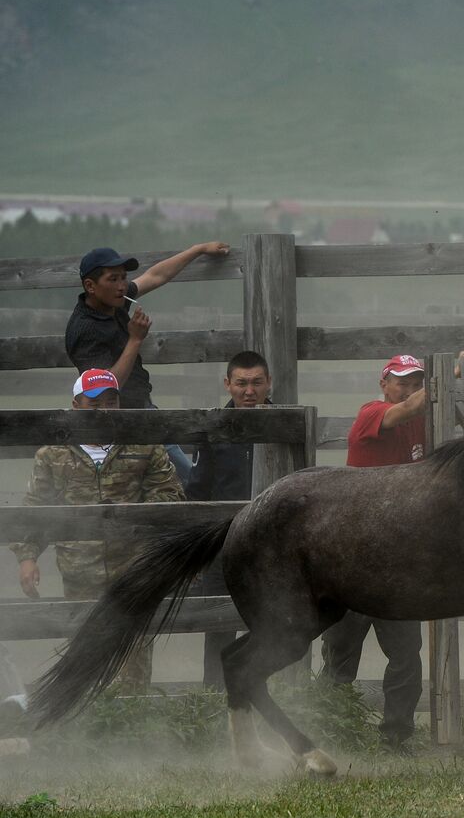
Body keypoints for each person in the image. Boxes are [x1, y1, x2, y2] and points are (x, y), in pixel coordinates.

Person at [320, 348, 464, 747]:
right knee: (340, 654)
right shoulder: (372, 413)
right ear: (383, 383)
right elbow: (407, 409)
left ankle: (397, 736)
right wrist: (447, 375)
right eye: (401, 381)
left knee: (405, 653)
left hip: (401, 559)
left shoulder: (428, 419)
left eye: (417, 381)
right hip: (354, 554)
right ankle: (330, 730)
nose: (409, 389)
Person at [9, 369, 186, 690]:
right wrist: (27, 556)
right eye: (93, 402)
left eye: (110, 400)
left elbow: (170, 496)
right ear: (76, 405)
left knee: (132, 666)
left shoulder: (143, 445)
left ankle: (133, 726)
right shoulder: (53, 454)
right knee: (83, 664)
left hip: (134, 574)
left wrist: (134, 521)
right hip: (80, 575)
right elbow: (36, 509)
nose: (103, 408)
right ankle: (89, 731)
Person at [65, 242, 231, 482]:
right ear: (90, 286)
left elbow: (156, 275)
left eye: (123, 278)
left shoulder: (115, 301)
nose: (122, 286)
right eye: (113, 279)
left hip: (143, 411)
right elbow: (105, 389)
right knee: (185, 483)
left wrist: (199, 249)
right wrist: (135, 339)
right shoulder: (85, 329)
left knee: (185, 483)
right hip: (118, 424)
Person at [186, 350, 273, 690]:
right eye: (241, 383)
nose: (249, 391)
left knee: (277, 625)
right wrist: (198, 552)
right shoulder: (213, 428)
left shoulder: (287, 421)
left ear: (269, 383)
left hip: (274, 546)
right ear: (228, 384)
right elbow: (197, 493)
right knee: (218, 625)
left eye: (256, 383)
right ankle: (214, 699)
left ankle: (273, 697)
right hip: (222, 544)